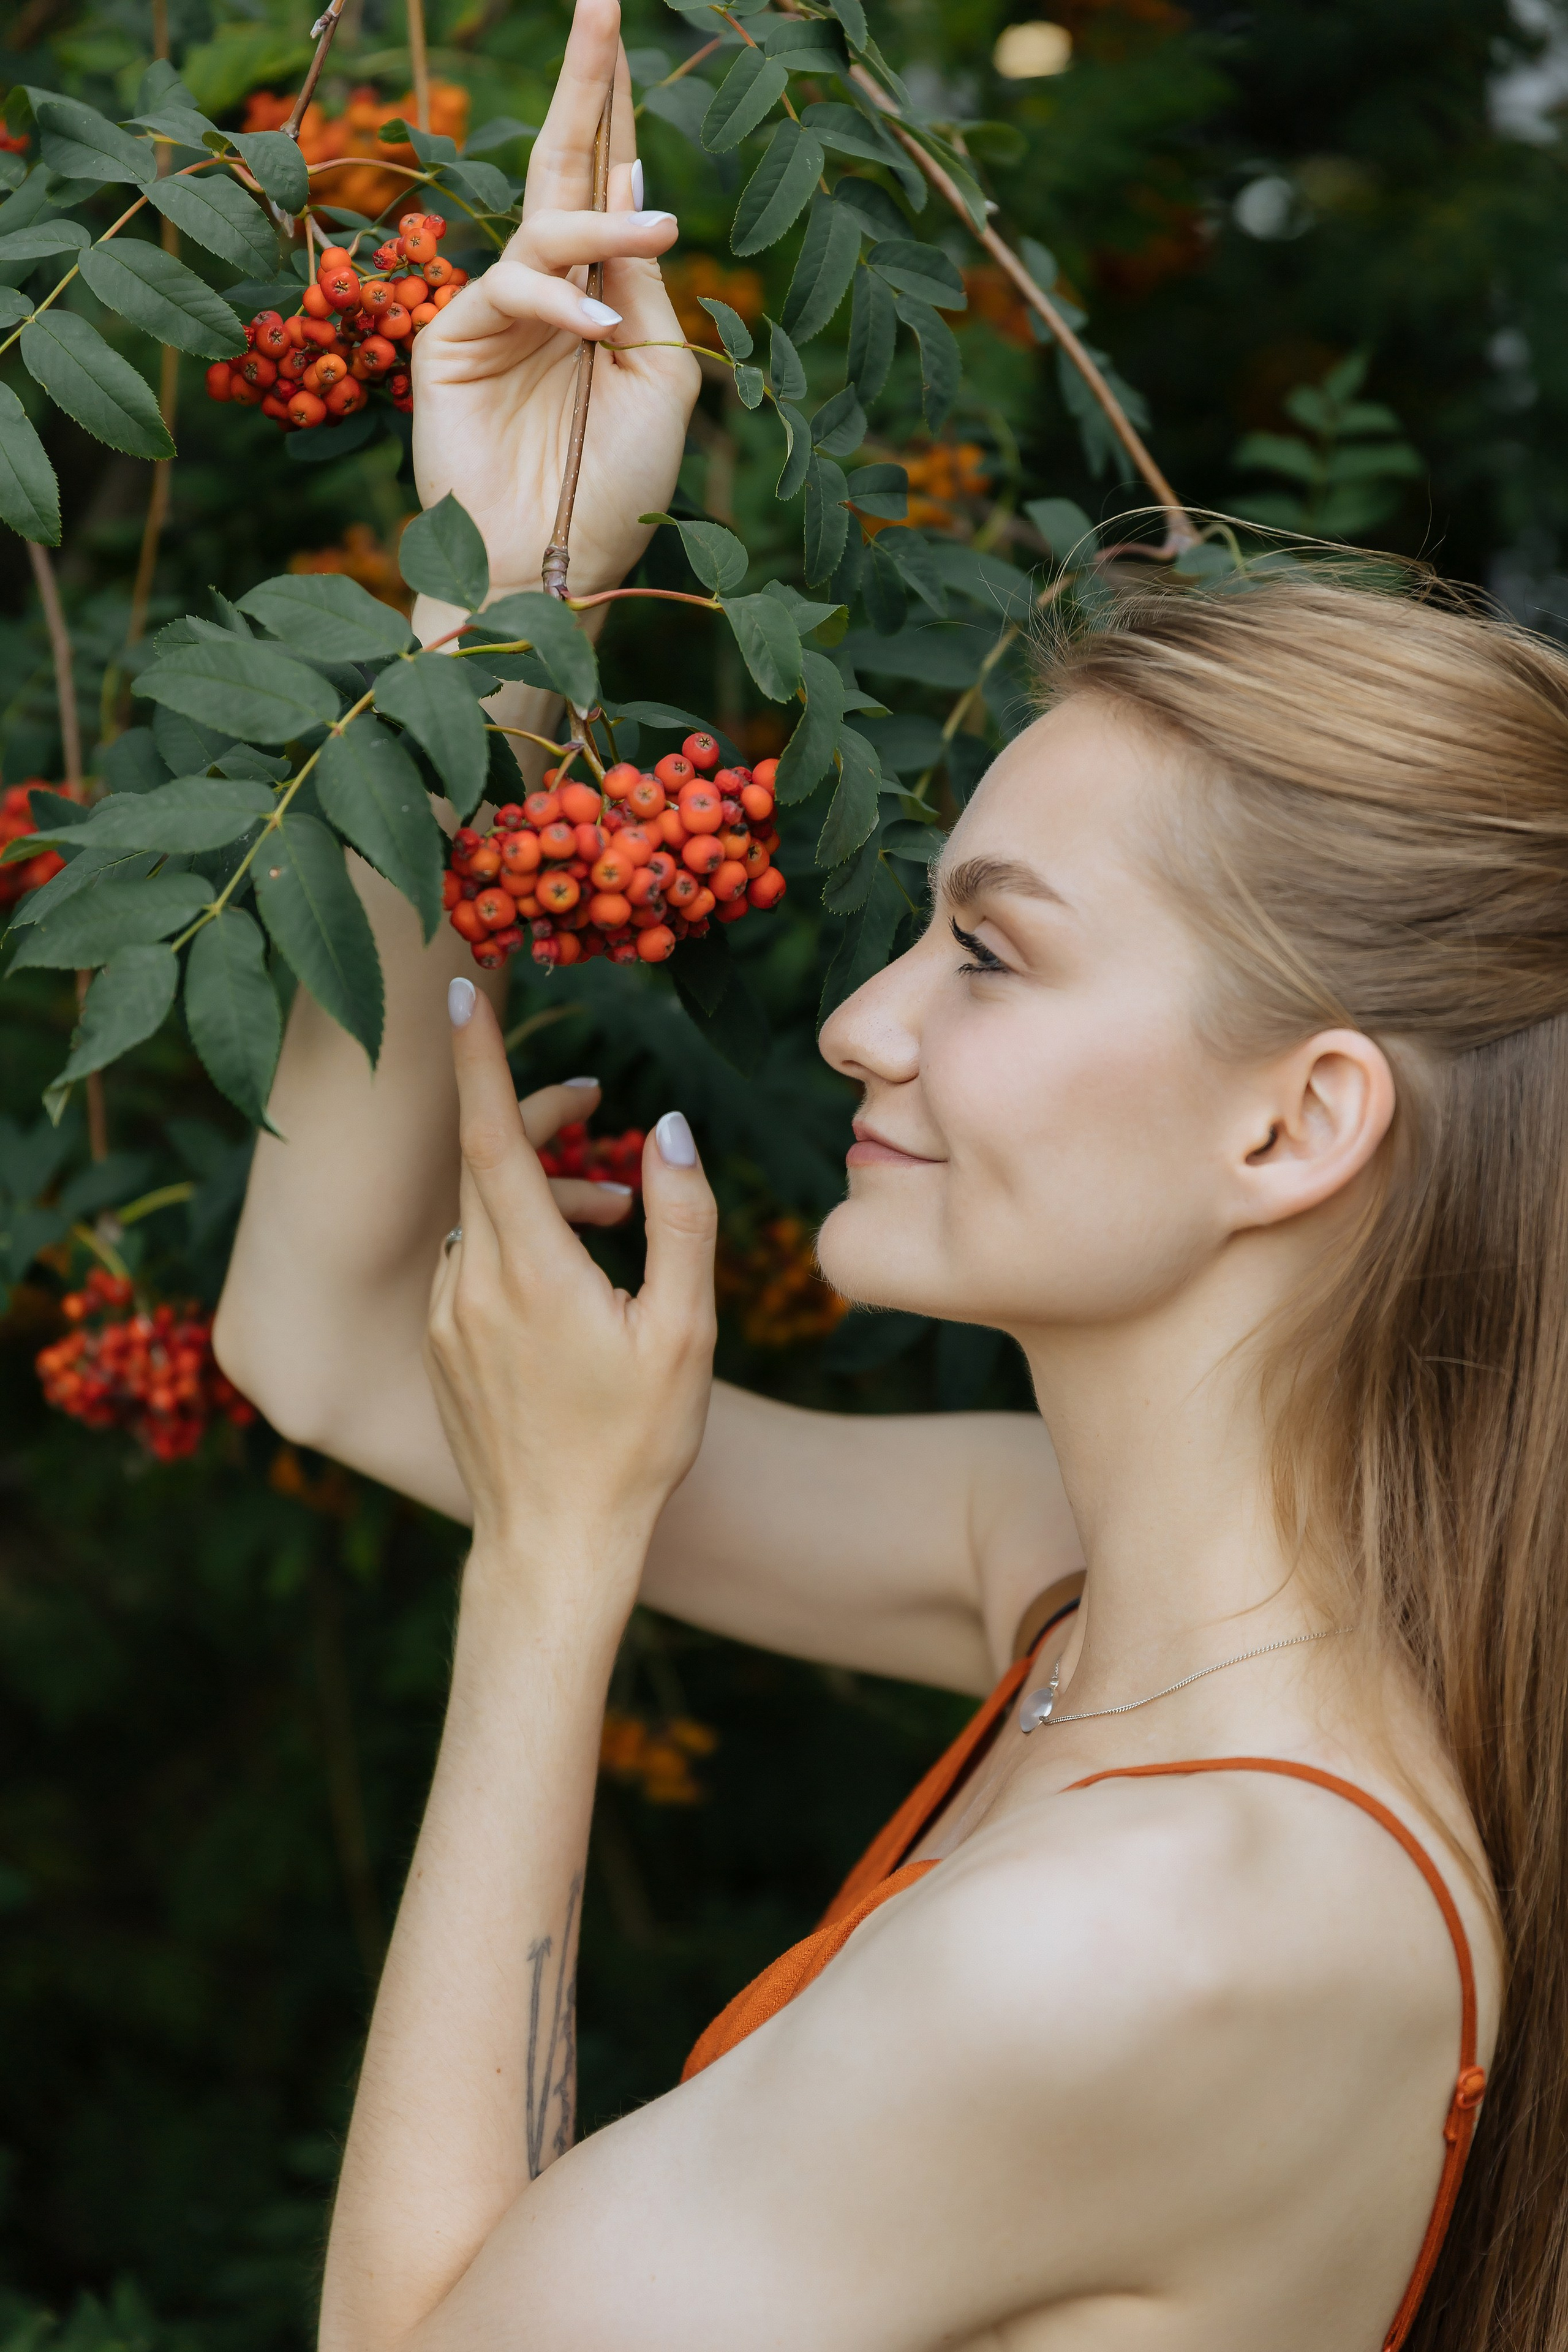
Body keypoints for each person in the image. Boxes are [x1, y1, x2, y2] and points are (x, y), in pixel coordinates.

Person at [209, 4, 1568, 2345]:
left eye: (991, 956)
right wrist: (496, 618)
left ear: (1300, 1123)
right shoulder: (1096, 1600)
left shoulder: (1163, 1932)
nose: (861, 1021)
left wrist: (557, 1567)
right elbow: (319, 1337)